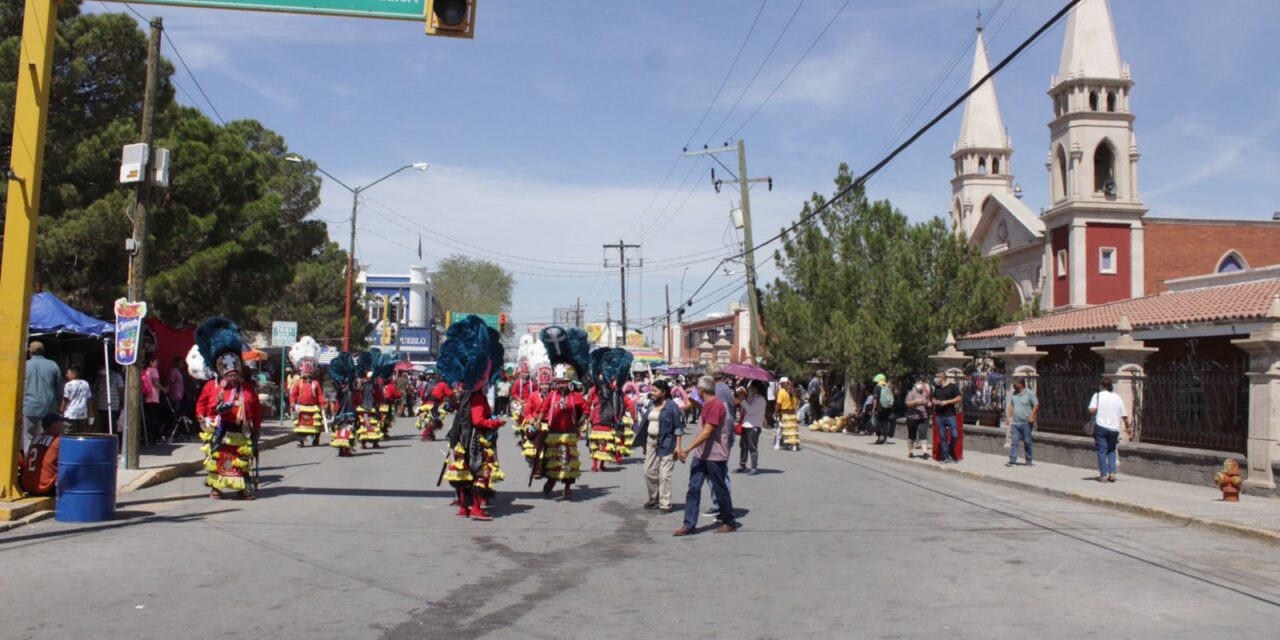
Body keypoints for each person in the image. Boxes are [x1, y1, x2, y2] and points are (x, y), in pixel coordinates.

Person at [440, 315, 507, 520]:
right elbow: (479, 421)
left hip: (461, 439)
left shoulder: (466, 396)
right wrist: (496, 423)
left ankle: (463, 507)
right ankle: (476, 508)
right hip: (475, 441)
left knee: (463, 474)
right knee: (480, 473)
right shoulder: (476, 398)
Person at [193, 318, 262, 500]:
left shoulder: (247, 388)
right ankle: (216, 487)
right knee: (218, 460)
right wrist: (203, 419)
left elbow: (255, 409)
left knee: (242, 461)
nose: (232, 376)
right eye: (229, 374)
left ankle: (243, 488)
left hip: (242, 430)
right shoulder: (211, 387)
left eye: (235, 373)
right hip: (219, 430)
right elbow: (200, 405)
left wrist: (257, 428)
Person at [674, 376, 738, 536]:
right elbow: (696, 405)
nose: (695, 390)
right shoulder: (707, 403)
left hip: (715, 455)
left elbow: (707, 432)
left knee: (719, 488)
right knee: (693, 488)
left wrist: (686, 449)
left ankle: (729, 521)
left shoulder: (716, 405)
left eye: (697, 388)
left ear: (702, 390)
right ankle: (689, 524)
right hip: (701, 454)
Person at [533, 365, 587, 498]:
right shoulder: (552, 395)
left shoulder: (576, 396)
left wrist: (579, 423)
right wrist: (538, 421)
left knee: (568, 462)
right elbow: (543, 409)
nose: (561, 385)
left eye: (564, 382)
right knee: (552, 461)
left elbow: (586, 410)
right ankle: (551, 480)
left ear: (569, 382)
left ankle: (567, 486)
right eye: (559, 382)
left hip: (569, 434)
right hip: (553, 434)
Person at [633, 379, 683, 513]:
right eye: (652, 390)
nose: (652, 393)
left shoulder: (672, 406)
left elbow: (678, 428)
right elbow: (645, 424)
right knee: (649, 472)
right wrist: (643, 443)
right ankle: (654, 498)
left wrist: (678, 447)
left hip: (667, 443)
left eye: (655, 390)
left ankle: (665, 503)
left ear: (663, 392)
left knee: (664, 475)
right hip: (651, 442)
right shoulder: (650, 404)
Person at [1088, 377, 1130, 482]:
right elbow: (1124, 415)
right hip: (1114, 428)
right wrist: (1128, 427)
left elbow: (1091, 410)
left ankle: (1103, 475)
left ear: (1101, 385)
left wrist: (1098, 409)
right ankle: (1112, 473)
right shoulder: (1117, 397)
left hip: (1101, 427)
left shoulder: (1097, 396)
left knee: (1102, 451)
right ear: (1111, 386)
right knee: (1111, 450)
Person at [22, 341, 61, 452]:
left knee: (29, 436)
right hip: (49, 407)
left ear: (31, 352)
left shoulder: (25, 365)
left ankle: (29, 461)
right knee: (48, 436)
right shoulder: (53, 365)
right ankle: (45, 459)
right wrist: (56, 404)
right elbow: (60, 389)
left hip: (29, 406)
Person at [288, 337, 324, 447]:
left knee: (316, 425)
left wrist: (322, 404)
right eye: (306, 373)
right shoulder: (298, 382)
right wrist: (293, 403)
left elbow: (319, 394)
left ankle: (316, 439)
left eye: (309, 374)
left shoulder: (315, 383)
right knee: (300, 426)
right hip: (302, 407)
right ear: (302, 373)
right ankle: (301, 440)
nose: (308, 375)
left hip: (313, 407)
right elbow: (293, 394)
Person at [1006, 379, 1039, 467]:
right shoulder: (1014, 394)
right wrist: (1008, 417)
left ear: (1021, 384)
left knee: (1027, 442)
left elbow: (1036, 404)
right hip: (1015, 423)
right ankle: (1012, 460)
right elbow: (1012, 405)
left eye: (1016, 384)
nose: (1014, 385)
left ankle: (1028, 461)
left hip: (1026, 423)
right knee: (1014, 442)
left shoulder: (1029, 393)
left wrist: (1032, 416)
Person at [736, 381, 766, 474]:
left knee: (752, 447)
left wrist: (743, 400)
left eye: (752, 387)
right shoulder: (752, 398)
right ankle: (742, 464)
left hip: (754, 426)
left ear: (757, 388)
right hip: (746, 424)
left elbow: (751, 411)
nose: (750, 389)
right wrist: (741, 397)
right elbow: (744, 407)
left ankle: (754, 467)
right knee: (743, 446)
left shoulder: (761, 400)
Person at [932, 372, 962, 463]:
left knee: (955, 435)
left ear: (942, 378)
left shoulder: (952, 387)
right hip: (939, 415)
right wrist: (935, 402)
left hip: (950, 415)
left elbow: (959, 398)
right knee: (943, 436)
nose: (935, 379)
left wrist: (947, 402)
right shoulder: (937, 388)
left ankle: (951, 450)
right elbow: (933, 399)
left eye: (937, 377)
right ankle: (946, 456)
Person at [59, 365, 92, 434]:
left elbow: (65, 399)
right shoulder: (86, 383)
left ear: (74, 375)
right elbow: (88, 399)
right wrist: (90, 411)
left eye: (68, 373)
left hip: (70, 413)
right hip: (82, 413)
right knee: (81, 433)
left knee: (68, 433)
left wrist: (61, 410)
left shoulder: (68, 384)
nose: (66, 375)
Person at [904, 377, 931, 459]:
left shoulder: (925, 393)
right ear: (914, 384)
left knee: (923, 435)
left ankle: (925, 453)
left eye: (921, 383)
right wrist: (915, 402)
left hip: (923, 417)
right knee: (912, 435)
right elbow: (907, 403)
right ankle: (911, 452)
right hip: (912, 417)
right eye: (918, 383)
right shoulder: (911, 393)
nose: (920, 385)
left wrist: (929, 403)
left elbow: (928, 401)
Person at [93, 366, 125, 435]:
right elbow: (96, 388)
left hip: (112, 405)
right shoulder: (100, 377)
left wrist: (121, 402)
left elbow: (121, 390)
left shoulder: (117, 376)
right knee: (103, 426)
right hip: (101, 405)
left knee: (111, 426)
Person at [142, 355, 164, 444]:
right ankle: (156, 436)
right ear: (151, 362)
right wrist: (164, 389)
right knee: (155, 418)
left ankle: (148, 435)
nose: (157, 364)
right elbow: (156, 383)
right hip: (153, 396)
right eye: (156, 362)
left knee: (148, 418)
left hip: (145, 396)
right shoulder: (154, 370)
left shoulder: (144, 370)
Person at [776, 377, 800, 451]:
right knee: (792, 430)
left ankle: (777, 444)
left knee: (780, 429)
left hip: (784, 413)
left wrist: (776, 412)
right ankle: (793, 446)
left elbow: (778, 404)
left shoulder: (781, 392)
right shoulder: (795, 393)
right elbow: (797, 403)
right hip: (792, 413)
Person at [872, 374, 895, 445]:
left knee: (875, 423)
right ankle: (883, 439)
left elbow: (875, 399)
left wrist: (874, 409)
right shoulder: (888, 387)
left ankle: (880, 437)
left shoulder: (877, 387)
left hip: (880, 408)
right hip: (888, 408)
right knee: (885, 424)